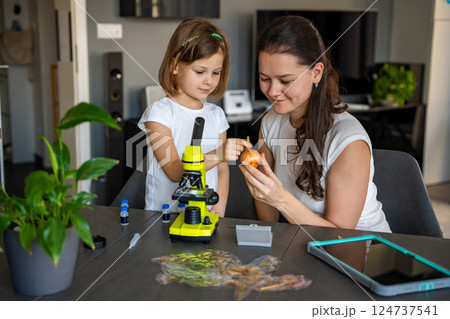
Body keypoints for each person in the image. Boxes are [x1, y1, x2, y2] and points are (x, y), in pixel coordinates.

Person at [239, 16, 391, 232]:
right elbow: (267, 211)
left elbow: (338, 235)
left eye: (285, 81)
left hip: (359, 248)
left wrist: (278, 197)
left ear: (316, 73)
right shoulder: (271, 121)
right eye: (265, 78)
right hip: (299, 241)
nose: (272, 91)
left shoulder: (347, 139)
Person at [138, 17, 251, 216]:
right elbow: (173, 171)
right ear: (174, 66)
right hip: (162, 217)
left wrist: (219, 208)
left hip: (206, 214)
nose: (209, 80)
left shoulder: (217, 115)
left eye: (216, 72)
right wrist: (219, 153)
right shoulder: (160, 113)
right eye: (200, 71)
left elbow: (222, 171)